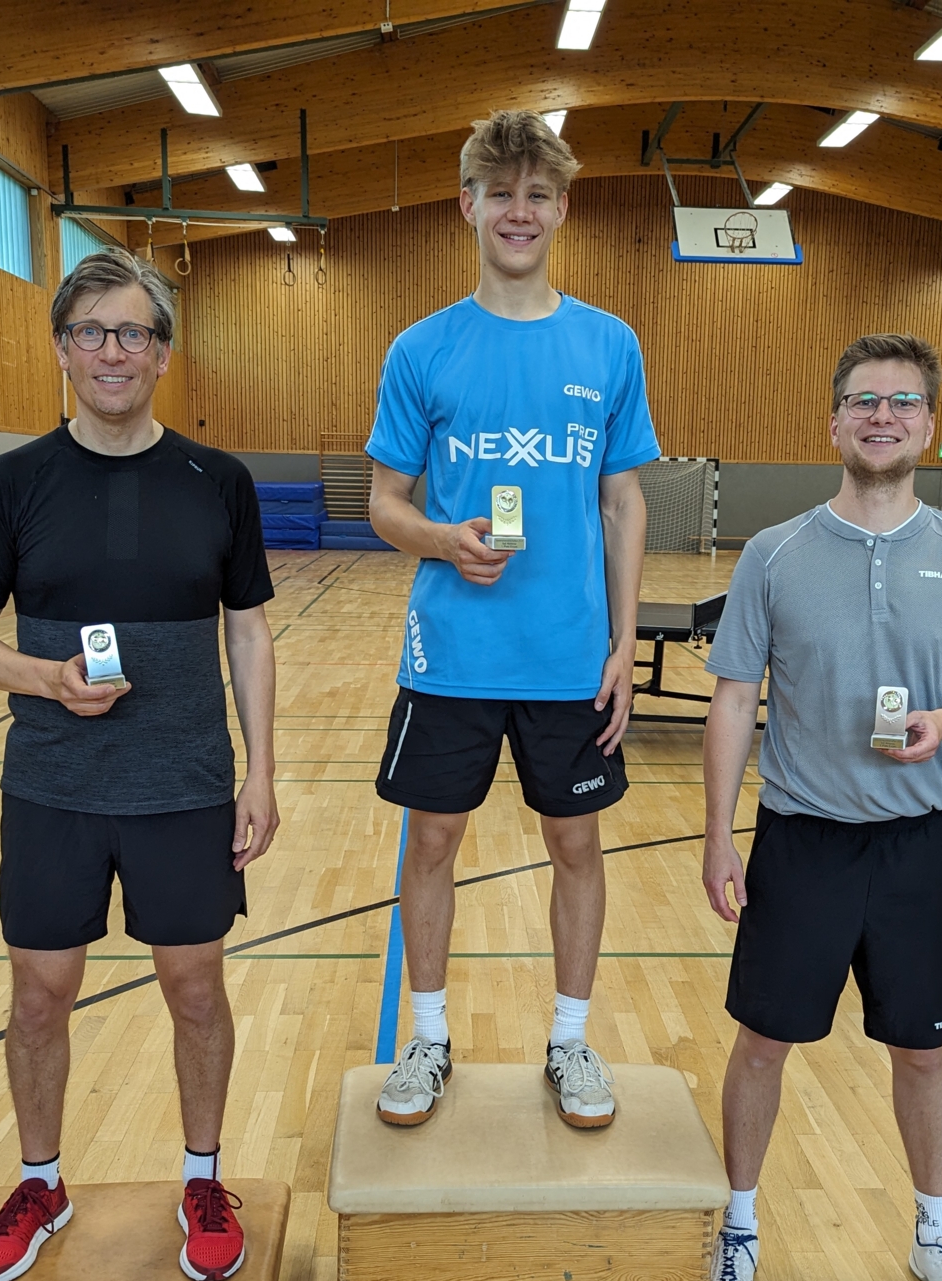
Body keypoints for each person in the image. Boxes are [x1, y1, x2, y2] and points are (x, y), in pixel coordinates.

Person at [0, 248, 279, 1281]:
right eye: (92, 332)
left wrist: (261, 773)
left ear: (164, 355)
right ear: (61, 349)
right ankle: (41, 1183)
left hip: (183, 783)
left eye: (134, 332)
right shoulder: (11, 484)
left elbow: (251, 633)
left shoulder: (217, 482)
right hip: (52, 785)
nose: (114, 352)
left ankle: (203, 1177)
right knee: (40, 994)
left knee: (193, 985)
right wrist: (44, 679)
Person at [701, 334, 942, 1281]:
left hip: (920, 851)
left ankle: (935, 1233)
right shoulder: (775, 553)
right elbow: (734, 696)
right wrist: (718, 834)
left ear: (929, 425)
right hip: (802, 843)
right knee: (762, 1045)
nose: (882, 415)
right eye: (863, 401)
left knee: (921, 1054)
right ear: (834, 422)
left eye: (902, 401)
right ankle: (740, 1227)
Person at [365, 110, 658, 1130]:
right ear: (469, 206)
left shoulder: (608, 344)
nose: (519, 211)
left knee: (576, 847)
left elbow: (624, 502)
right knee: (433, 843)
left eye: (538, 193)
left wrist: (623, 645)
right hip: (451, 655)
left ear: (561, 208)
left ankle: (571, 1040)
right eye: (502, 192)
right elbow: (383, 502)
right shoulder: (423, 348)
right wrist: (443, 540)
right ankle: (430, 1035)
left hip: (569, 661)